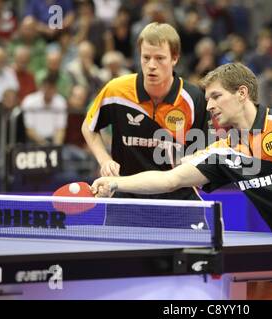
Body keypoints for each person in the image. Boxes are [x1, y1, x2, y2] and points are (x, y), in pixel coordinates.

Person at [92, 63, 272, 300]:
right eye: (207, 98)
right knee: (251, 295)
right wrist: (118, 183)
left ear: (242, 93)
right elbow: (170, 179)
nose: (208, 105)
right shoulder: (223, 152)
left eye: (215, 96)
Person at [82, 22, 209, 226]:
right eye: (146, 57)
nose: (151, 65)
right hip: (125, 201)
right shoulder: (117, 91)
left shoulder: (193, 99)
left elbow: (202, 153)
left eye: (160, 58)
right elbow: (89, 127)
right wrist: (104, 159)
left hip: (179, 203)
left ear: (174, 58)